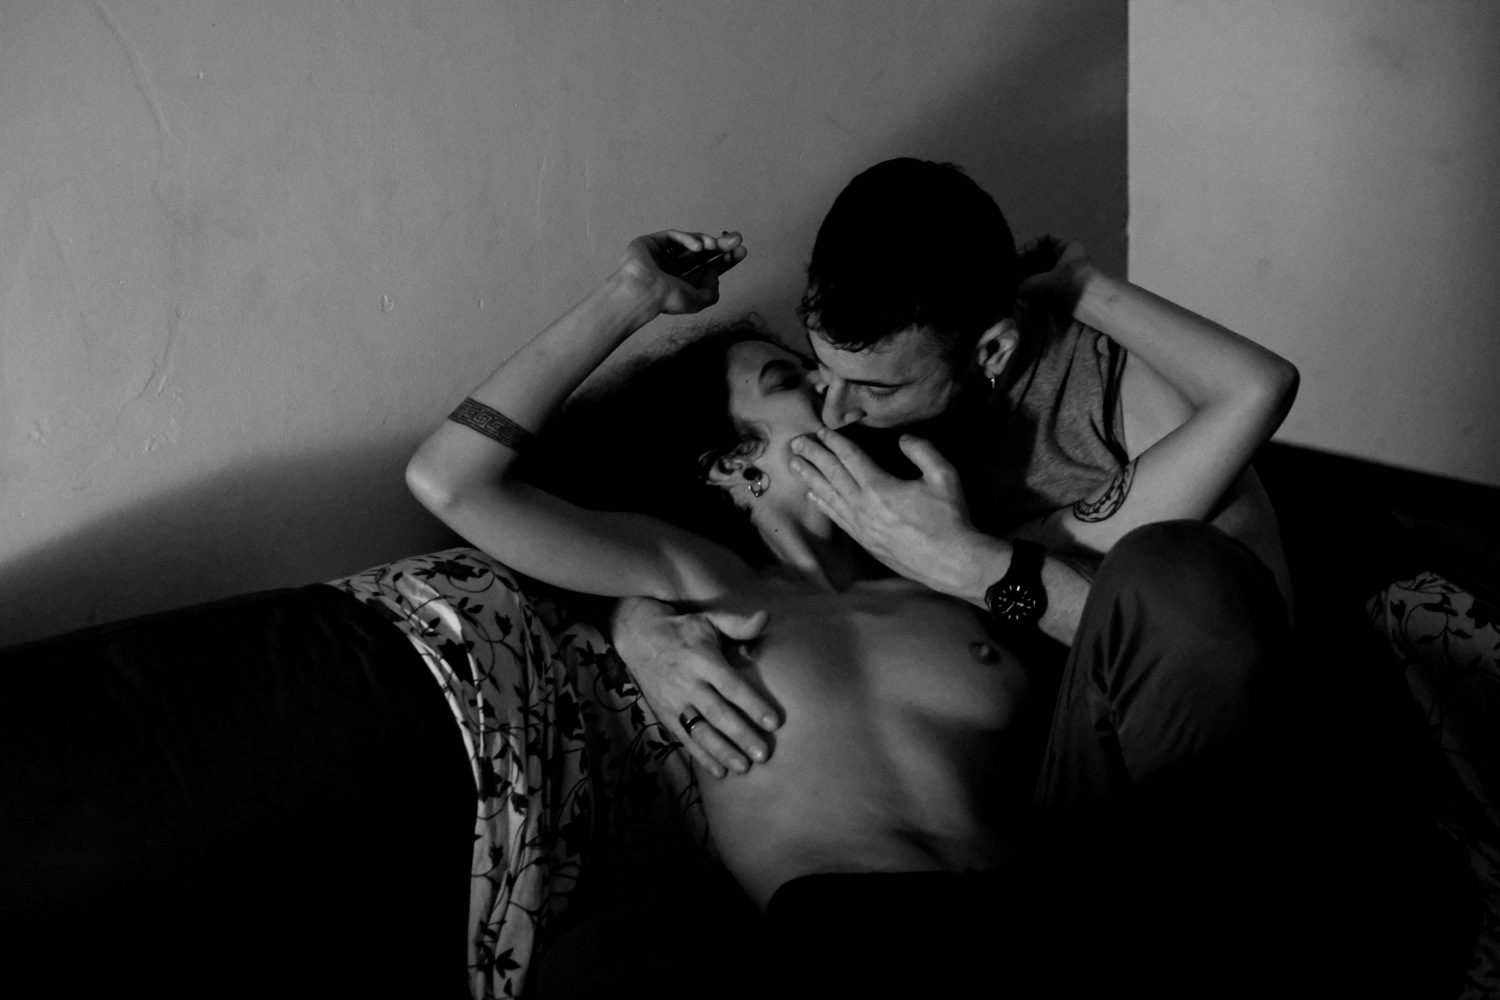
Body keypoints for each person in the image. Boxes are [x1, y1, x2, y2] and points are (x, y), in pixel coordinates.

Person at [405, 227, 1298, 994]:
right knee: (605, 964)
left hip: (1037, 913)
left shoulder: (957, 555)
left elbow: (1242, 414)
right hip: (840, 937)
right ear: (731, 464)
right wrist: (632, 294)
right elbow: (450, 480)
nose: (838, 396)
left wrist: (1077, 288)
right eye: (794, 381)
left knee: (1180, 564)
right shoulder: (699, 582)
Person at [611, 158, 1297, 782]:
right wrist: (636, 624)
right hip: (1035, 779)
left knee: (1171, 572)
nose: (837, 409)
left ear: (990, 352)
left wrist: (978, 568)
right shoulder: (862, 418)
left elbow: (1218, 652)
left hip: (1178, 755)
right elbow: (689, 525)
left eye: (875, 388)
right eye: (820, 366)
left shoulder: (1119, 388)